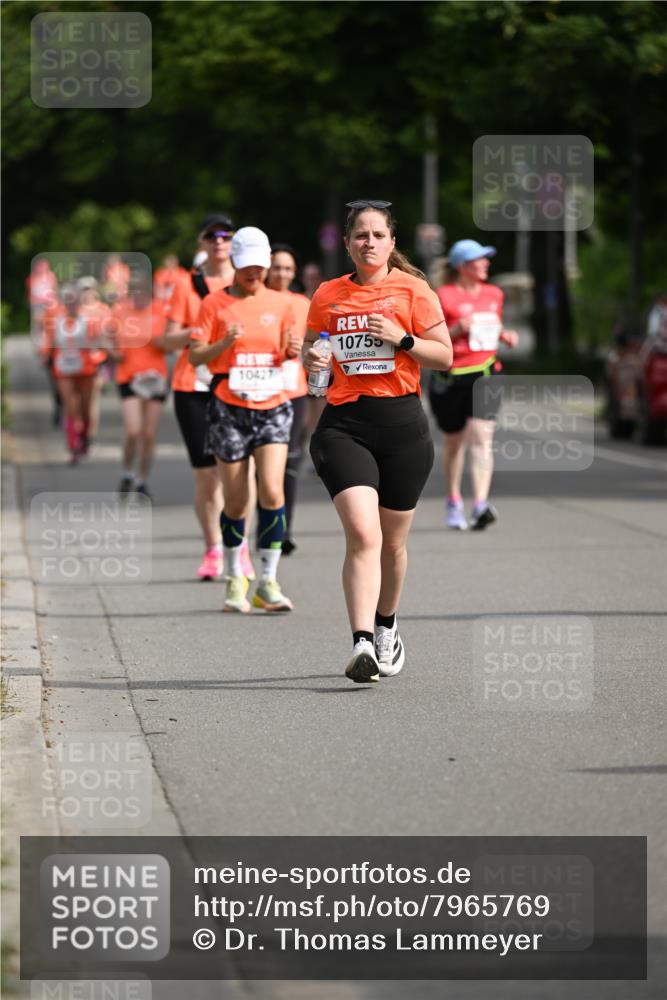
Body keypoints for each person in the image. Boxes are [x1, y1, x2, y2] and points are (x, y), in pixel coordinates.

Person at [303, 200, 452, 682]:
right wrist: (315, 361)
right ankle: (362, 643)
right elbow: (313, 347)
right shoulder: (327, 294)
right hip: (344, 425)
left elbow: (444, 356)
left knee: (392, 543)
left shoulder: (414, 290)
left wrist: (401, 338)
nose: (369, 242)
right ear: (347, 245)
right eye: (360, 235)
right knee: (364, 535)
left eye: (378, 235)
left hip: (403, 429)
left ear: (391, 243)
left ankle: (387, 626)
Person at [189, 226, 301, 613]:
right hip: (228, 408)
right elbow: (195, 357)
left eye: (261, 266)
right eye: (248, 266)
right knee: (236, 502)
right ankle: (236, 575)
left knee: (272, 491)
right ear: (235, 262)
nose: (255, 273)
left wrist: (291, 351)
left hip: (272, 405)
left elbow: (287, 353)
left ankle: (268, 581)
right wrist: (224, 343)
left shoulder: (282, 303)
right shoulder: (215, 304)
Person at [163, 215, 256, 582]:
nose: (219, 241)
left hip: (239, 384)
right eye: (212, 236)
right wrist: (202, 329)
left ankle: (240, 545)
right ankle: (213, 547)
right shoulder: (187, 286)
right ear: (202, 243)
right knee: (206, 475)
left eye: (226, 236)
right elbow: (167, 339)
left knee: (237, 472)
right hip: (193, 386)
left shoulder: (247, 280)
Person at [428, 240, 518, 531]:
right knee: (454, 442)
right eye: (480, 260)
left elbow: (493, 326)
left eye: (486, 260)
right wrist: (456, 330)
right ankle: (454, 500)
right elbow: (432, 341)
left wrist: (506, 336)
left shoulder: (494, 294)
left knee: (482, 437)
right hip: (451, 377)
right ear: (462, 266)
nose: (486, 264)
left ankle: (480, 504)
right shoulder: (443, 296)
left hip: (487, 373)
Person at [265, 244, 311, 554]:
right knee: (265, 463)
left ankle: (284, 529)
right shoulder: (255, 300)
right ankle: (263, 525)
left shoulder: (303, 303)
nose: (282, 273)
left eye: (287, 269)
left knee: (291, 457)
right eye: (277, 267)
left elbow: (316, 343)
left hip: (294, 390)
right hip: (260, 390)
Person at [109, 280, 169, 499]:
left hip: (154, 377)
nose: (138, 299)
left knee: (149, 434)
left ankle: (141, 479)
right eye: (134, 295)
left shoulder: (160, 310)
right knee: (133, 430)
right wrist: (113, 352)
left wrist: (163, 342)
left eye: (142, 294)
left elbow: (170, 342)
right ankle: (127, 471)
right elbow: (104, 336)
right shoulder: (120, 310)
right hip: (128, 376)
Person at [40, 283, 105, 463]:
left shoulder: (89, 320)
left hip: (85, 369)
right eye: (67, 300)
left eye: (74, 300)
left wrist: (98, 358)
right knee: (70, 406)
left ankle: (84, 435)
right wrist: (46, 355)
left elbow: (99, 344)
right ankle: (73, 444)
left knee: (85, 407)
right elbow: (48, 342)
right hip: (64, 369)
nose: (71, 304)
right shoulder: (56, 321)